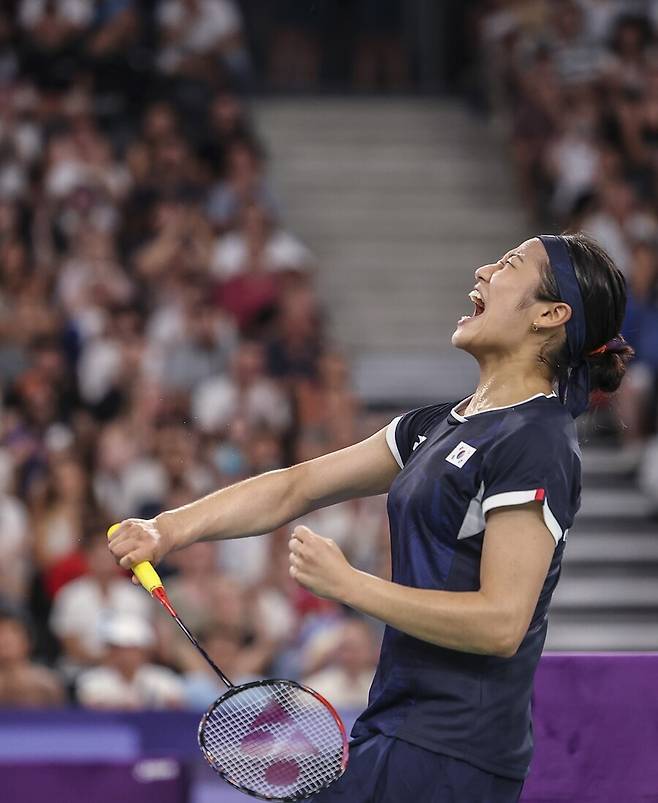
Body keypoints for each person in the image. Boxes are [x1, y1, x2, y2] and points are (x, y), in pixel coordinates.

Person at [108, 232, 633, 802]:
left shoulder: (536, 440)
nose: (483, 269)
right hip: (396, 729)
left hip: (455, 750)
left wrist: (350, 586)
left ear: (551, 316)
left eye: (509, 265)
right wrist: (169, 529)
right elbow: (295, 486)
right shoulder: (438, 424)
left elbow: (501, 623)